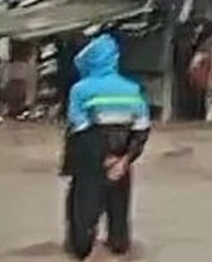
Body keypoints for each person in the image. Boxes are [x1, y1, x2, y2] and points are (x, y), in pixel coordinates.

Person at [60, 34, 151, 260]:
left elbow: (80, 128)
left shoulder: (80, 90)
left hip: (90, 161)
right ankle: (118, 246)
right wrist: (124, 160)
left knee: (82, 217)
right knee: (119, 216)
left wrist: (103, 157)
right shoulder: (133, 89)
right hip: (122, 160)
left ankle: (82, 250)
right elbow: (142, 130)